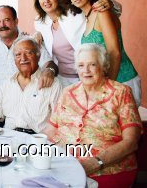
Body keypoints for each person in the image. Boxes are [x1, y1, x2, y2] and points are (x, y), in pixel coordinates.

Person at [44, 44, 142, 188]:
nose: (86, 71)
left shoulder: (121, 93)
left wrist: (96, 162)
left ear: (103, 66)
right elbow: (50, 130)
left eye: (92, 65)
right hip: (66, 166)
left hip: (108, 170)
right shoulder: (68, 92)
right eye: (81, 65)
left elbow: (131, 142)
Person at [61, 0, 141, 106]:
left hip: (121, 81)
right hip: (104, 84)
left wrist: (108, 87)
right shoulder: (88, 16)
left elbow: (114, 52)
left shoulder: (101, 12)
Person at [33, 0, 120, 87]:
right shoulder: (40, 22)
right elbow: (41, 35)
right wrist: (37, 33)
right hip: (61, 78)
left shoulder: (75, 13)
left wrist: (111, 3)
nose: (46, 0)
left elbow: (113, 11)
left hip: (86, 75)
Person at [0, 36, 62, 134]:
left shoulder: (53, 84)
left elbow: (60, 121)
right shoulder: (6, 84)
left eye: (28, 53)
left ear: (38, 56)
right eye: (18, 54)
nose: (23, 58)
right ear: (14, 59)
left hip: (37, 140)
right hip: (9, 137)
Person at [0, 5, 57, 93]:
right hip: (0, 101)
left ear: (16, 21)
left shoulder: (31, 41)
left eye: (7, 20)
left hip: (28, 100)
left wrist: (49, 71)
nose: (2, 25)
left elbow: (49, 64)